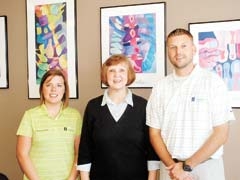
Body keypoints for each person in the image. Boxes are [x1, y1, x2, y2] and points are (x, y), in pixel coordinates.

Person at [146, 28, 235, 180]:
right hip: (171, 168)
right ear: (168, 52)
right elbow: (154, 133)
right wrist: (174, 169)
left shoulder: (213, 82)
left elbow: (221, 133)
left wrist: (187, 166)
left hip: (206, 168)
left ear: (194, 49)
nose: (178, 52)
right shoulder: (160, 87)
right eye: (173, 47)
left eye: (183, 46)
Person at [77, 54, 160, 180]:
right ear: (105, 75)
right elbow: (85, 150)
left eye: (122, 70)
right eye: (112, 71)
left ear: (129, 74)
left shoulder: (143, 106)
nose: (117, 75)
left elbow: (152, 151)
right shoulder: (93, 107)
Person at [16, 69, 82, 180]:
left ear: (65, 89)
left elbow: (79, 154)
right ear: (42, 89)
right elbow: (22, 155)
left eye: (59, 85)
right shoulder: (30, 116)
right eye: (48, 85)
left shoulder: (75, 116)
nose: (54, 89)